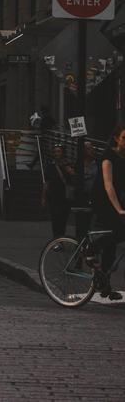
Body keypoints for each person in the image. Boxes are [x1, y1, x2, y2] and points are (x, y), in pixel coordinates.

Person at [91, 125, 125, 301]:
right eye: (124, 137)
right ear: (116, 139)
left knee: (111, 247)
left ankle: (104, 283)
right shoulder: (108, 157)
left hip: (117, 200)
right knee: (116, 232)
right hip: (102, 201)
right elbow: (108, 185)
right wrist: (118, 209)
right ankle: (89, 248)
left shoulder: (123, 157)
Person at [42, 144, 73, 238]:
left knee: (63, 219)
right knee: (55, 219)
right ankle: (56, 239)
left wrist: (67, 168)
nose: (56, 154)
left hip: (65, 196)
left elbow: (73, 176)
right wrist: (43, 197)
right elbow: (46, 183)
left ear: (63, 153)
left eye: (58, 151)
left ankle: (61, 237)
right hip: (53, 196)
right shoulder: (50, 167)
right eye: (55, 152)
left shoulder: (68, 165)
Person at [76, 140, 100, 239]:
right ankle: (79, 243)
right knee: (80, 223)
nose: (92, 150)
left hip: (93, 197)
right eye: (89, 149)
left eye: (92, 148)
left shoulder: (97, 163)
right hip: (81, 198)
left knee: (89, 223)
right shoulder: (79, 164)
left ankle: (86, 243)